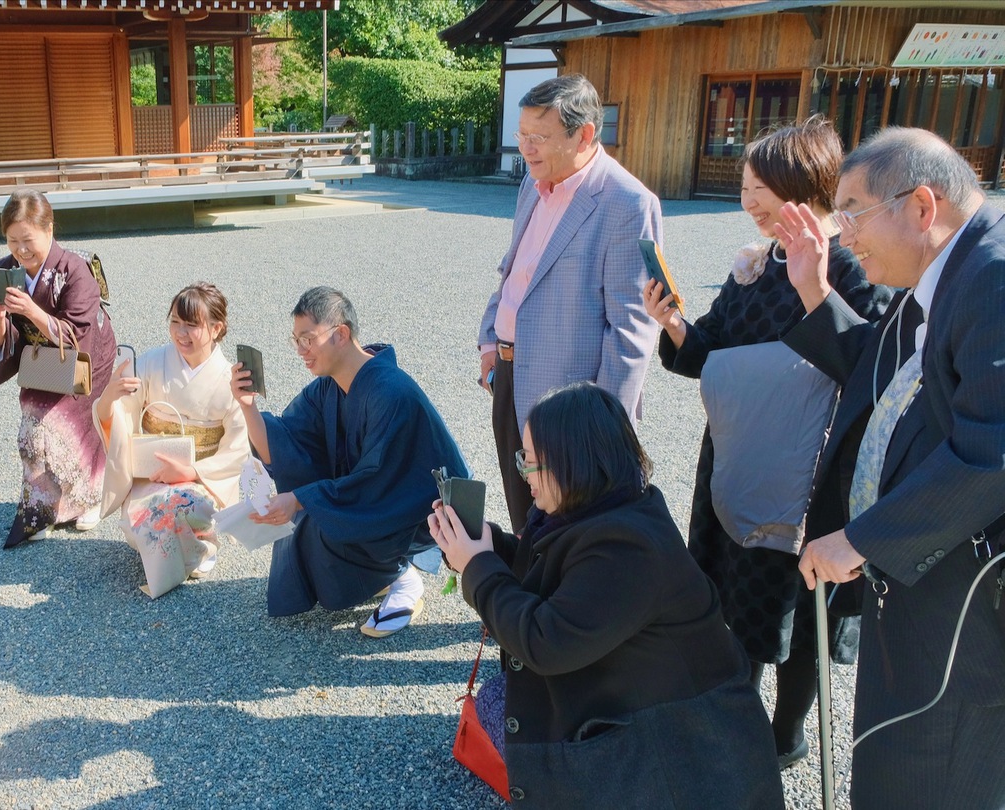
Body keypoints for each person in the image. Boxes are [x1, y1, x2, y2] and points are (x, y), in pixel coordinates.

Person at [642, 118, 892, 768]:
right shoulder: (755, 265)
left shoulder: (856, 266)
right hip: (737, 459)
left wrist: (817, 290)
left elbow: (871, 372)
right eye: (746, 185)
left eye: (759, 185)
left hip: (811, 480)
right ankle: (735, 716)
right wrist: (672, 324)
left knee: (800, 611)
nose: (747, 198)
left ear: (803, 186)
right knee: (739, 595)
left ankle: (785, 735)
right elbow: (708, 351)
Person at [775, 128, 1005, 808]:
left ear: (922, 206)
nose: (841, 232)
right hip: (917, 570)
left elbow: (993, 451)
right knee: (898, 752)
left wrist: (863, 538)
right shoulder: (938, 274)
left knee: (935, 766)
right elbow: (881, 373)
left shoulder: (994, 275)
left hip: (963, 596)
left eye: (851, 211)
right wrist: (814, 290)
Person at [430, 382, 783, 808]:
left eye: (532, 462)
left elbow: (546, 640)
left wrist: (478, 567)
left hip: (686, 763)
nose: (524, 474)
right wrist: (487, 547)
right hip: (646, 724)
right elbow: (555, 575)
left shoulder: (629, 547)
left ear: (575, 463)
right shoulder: (602, 512)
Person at [479, 74, 662, 533]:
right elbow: (513, 271)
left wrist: (603, 428)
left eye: (538, 138)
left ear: (585, 134)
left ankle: (558, 604)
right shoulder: (532, 185)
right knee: (525, 513)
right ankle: (526, 601)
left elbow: (632, 329)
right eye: (521, 136)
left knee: (572, 524)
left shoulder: (626, 202)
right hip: (508, 375)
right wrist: (488, 343)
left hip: (571, 403)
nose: (526, 148)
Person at [232, 287, 469, 637]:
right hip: (371, 500)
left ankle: (401, 577)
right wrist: (247, 406)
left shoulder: (392, 392)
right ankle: (377, 576)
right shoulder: (327, 388)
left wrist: (301, 498)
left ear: (341, 334)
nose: (301, 351)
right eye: (296, 340)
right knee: (304, 517)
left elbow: (380, 483)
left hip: (413, 512)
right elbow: (288, 444)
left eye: (308, 339)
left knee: (318, 522)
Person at [0, 189, 116, 548]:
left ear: (49, 229)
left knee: (78, 428)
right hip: (40, 359)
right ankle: (43, 508)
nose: (20, 250)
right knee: (32, 434)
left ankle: (92, 496)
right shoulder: (6, 270)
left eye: (28, 240)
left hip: (86, 357)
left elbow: (76, 332)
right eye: (12, 240)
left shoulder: (75, 269)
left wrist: (31, 311)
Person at [92, 283, 249, 598]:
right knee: (138, 521)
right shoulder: (151, 362)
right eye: (175, 322)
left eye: (192, 325)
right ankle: (186, 551)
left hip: (202, 479)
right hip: (152, 472)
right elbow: (121, 419)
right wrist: (109, 399)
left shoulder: (229, 380)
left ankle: (200, 547)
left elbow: (238, 446)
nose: (181, 332)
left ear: (217, 328)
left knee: (182, 508)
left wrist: (192, 472)